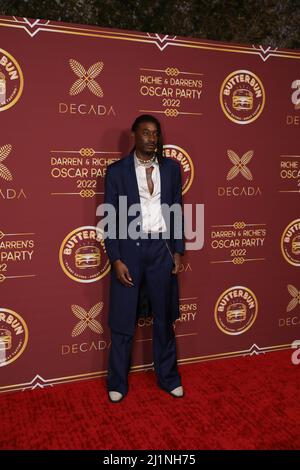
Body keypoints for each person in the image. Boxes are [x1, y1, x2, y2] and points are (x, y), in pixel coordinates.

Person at [103, 114, 185, 403]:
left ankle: (168, 378)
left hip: (161, 250)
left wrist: (177, 250)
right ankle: (117, 381)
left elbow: (177, 209)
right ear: (134, 135)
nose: (152, 138)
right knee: (124, 319)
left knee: (164, 318)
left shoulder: (173, 169)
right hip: (130, 252)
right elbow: (110, 219)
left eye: (156, 134)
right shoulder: (117, 172)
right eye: (147, 133)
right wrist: (115, 258)